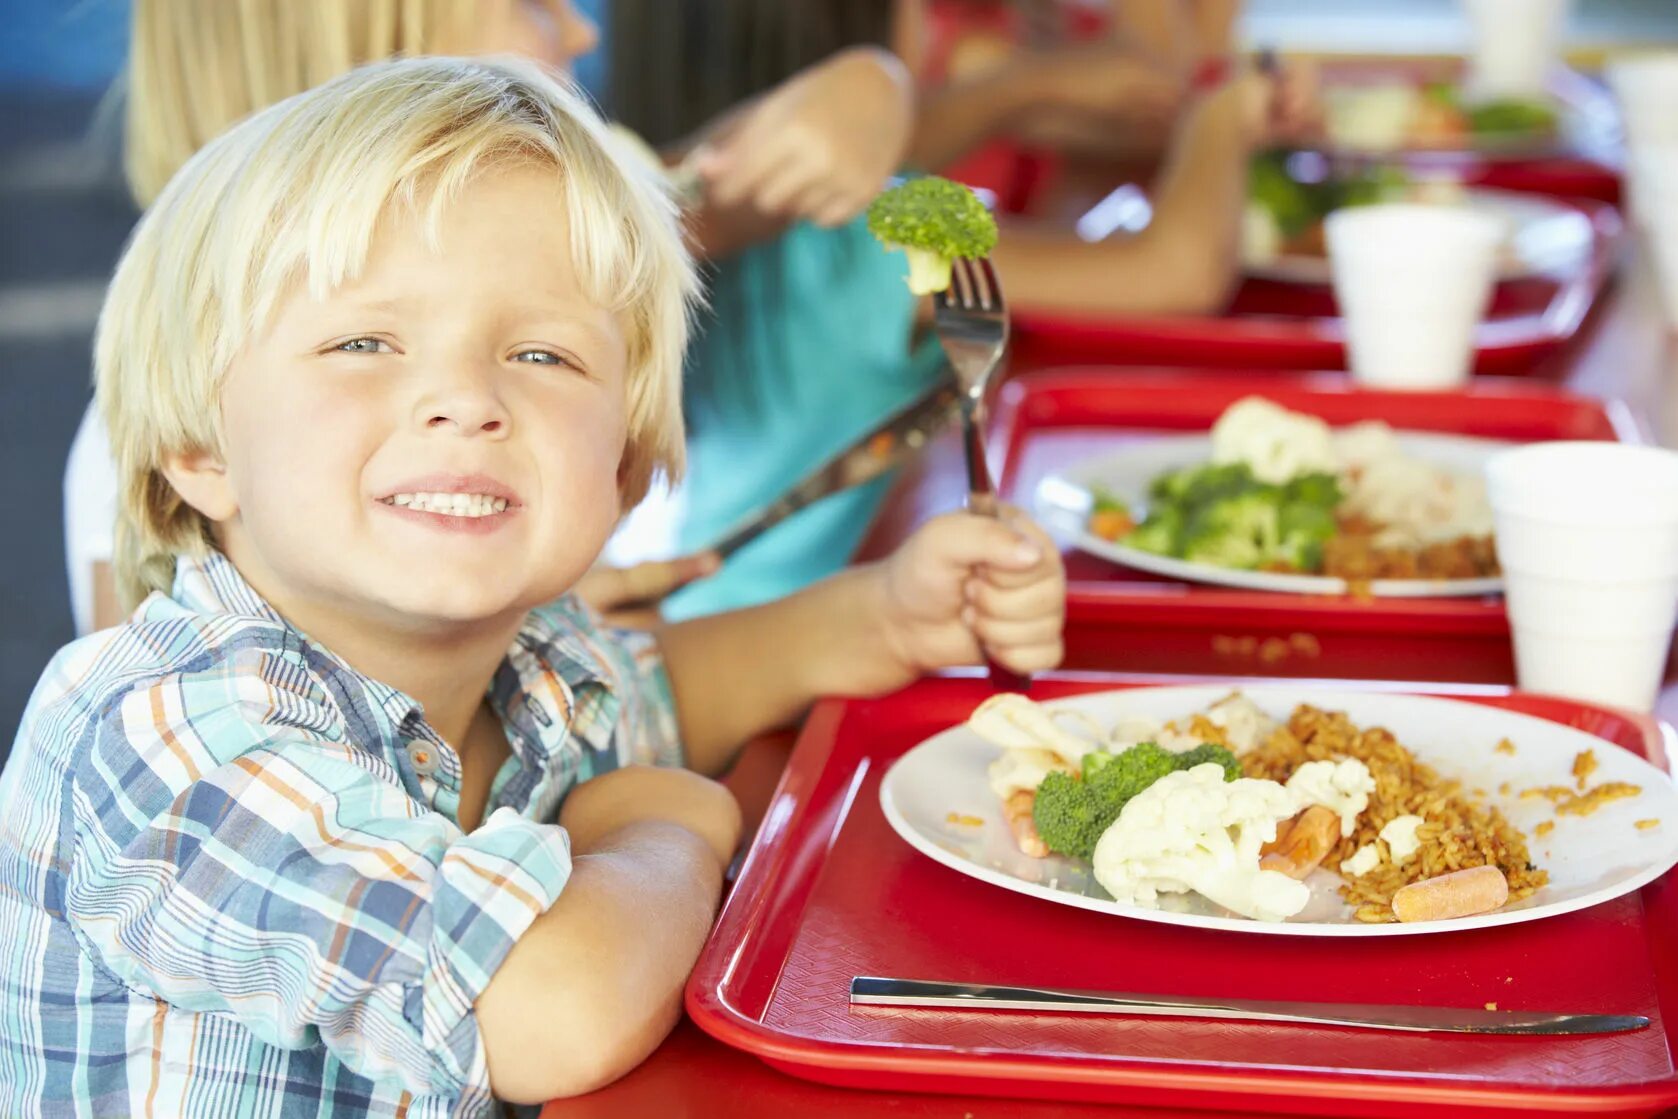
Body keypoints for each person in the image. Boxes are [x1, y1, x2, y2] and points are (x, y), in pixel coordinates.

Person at [1, 56, 1066, 1114]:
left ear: (626, 468)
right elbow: (545, 1011)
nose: (466, 400)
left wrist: (887, 613)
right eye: (364, 341)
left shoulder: (529, 659)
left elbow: (666, 690)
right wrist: (662, 830)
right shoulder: (166, 737)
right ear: (200, 448)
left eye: (543, 356)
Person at [64, 0, 914, 632]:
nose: (581, 32)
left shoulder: (515, 249)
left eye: (540, 355)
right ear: (391, 61)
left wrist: (880, 85)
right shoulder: (163, 430)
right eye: (532, 3)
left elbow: (706, 192)